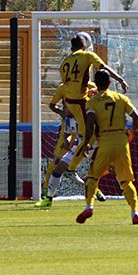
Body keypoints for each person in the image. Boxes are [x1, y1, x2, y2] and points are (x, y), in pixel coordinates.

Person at [75, 69, 138, 224]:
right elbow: (136, 118)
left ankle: (89, 206)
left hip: (104, 143)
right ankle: (135, 213)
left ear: (96, 84)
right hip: (121, 143)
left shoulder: (92, 102)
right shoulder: (121, 98)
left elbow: (90, 124)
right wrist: (131, 133)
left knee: (92, 177)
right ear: (110, 83)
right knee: (126, 181)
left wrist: (85, 144)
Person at [35, 79, 107, 207]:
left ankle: (97, 190)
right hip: (80, 145)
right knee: (60, 166)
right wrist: (66, 142)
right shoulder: (69, 120)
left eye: (66, 105)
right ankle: (48, 198)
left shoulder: (88, 114)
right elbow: (69, 134)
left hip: (92, 145)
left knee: (97, 170)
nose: (65, 107)